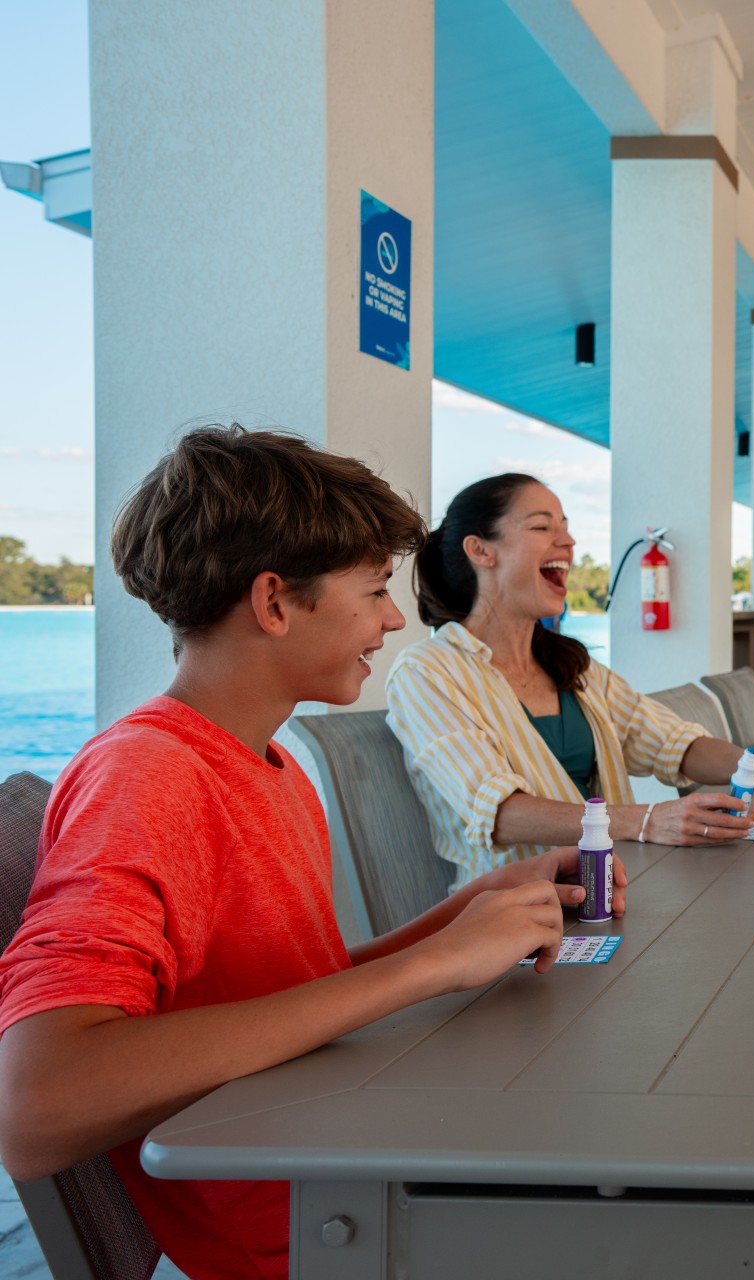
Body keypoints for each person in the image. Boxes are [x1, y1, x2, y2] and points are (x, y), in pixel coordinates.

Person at [0, 427, 611, 1279]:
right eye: (371, 593)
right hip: (319, 1229)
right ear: (276, 603)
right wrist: (427, 968)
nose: (395, 618)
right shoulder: (145, 779)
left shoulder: (270, 765)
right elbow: (37, 1105)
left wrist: (460, 921)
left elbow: (283, 995)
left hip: (346, 1160)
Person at [386, 474, 754, 885]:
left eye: (567, 527)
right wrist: (645, 820)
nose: (568, 542)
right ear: (480, 550)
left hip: (612, 891)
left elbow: (673, 743)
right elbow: (497, 814)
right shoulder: (426, 671)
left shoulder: (574, 667)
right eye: (542, 526)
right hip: (515, 914)